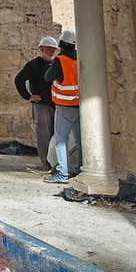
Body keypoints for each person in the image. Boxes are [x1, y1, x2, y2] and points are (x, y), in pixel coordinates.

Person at [13, 36, 59, 174]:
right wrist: (28, 96)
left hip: (57, 103)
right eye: (49, 49)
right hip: (41, 104)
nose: (52, 51)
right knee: (44, 133)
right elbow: (19, 80)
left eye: (54, 49)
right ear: (42, 49)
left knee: (58, 135)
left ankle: (57, 163)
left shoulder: (57, 64)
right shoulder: (33, 65)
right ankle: (46, 163)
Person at [43, 30, 81, 184]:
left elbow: (48, 77)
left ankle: (63, 173)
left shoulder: (60, 60)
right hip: (80, 105)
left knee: (61, 140)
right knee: (80, 141)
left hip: (65, 105)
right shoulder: (80, 58)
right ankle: (80, 170)